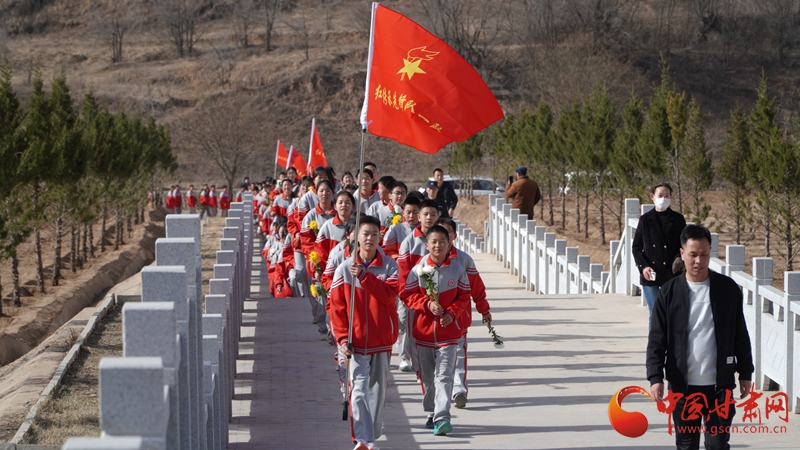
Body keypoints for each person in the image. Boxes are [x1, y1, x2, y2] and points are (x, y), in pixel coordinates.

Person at [646, 224, 753, 450]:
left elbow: (740, 333)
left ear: (710, 252)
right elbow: (657, 339)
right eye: (693, 254)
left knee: (717, 444)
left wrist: (745, 372)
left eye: (704, 254)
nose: (698, 261)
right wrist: (655, 377)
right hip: (683, 387)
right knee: (686, 445)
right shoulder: (669, 292)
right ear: (682, 253)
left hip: (720, 386)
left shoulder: (727, 289)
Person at [329, 215, 399, 450]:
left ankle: (371, 435)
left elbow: (389, 296)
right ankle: (363, 439)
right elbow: (337, 308)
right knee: (358, 390)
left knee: (377, 394)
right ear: (356, 237)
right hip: (355, 343)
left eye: (374, 234)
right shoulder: (343, 269)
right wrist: (342, 338)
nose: (370, 238)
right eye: (365, 234)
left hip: (381, 341)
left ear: (381, 237)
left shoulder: (390, 266)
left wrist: (364, 276)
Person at [402, 225, 471, 436]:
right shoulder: (418, 269)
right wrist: (426, 304)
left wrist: (453, 313)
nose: (438, 245)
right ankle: (432, 412)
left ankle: (442, 417)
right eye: (434, 241)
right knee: (427, 378)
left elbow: (464, 296)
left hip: (448, 334)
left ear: (449, 244)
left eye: (442, 241)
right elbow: (407, 295)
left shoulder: (457, 270)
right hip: (423, 334)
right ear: (426, 245)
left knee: (444, 375)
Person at [436, 217, 490, 409]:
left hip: (459, 318)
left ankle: (459, 390)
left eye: (447, 233)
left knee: (459, 354)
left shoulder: (464, 260)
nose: (443, 238)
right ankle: (440, 390)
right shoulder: (426, 261)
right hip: (434, 320)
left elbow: (476, 287)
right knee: (438, 357)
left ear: (454, 236)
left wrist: (484, 308)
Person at [632, 182, 687, 323]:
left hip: (672, 271)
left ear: (671, 197)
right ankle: (655, 338)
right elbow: (636, 247)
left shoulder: (678, 219)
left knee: (672, 311)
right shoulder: (645, 220)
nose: (663, 199)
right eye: (660, 195)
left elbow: (684, 244)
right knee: (655, 311)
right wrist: (644, 267)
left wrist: (679, 259)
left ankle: (672, 337)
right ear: (653, 196)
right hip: (651, 273)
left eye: (667, 196)